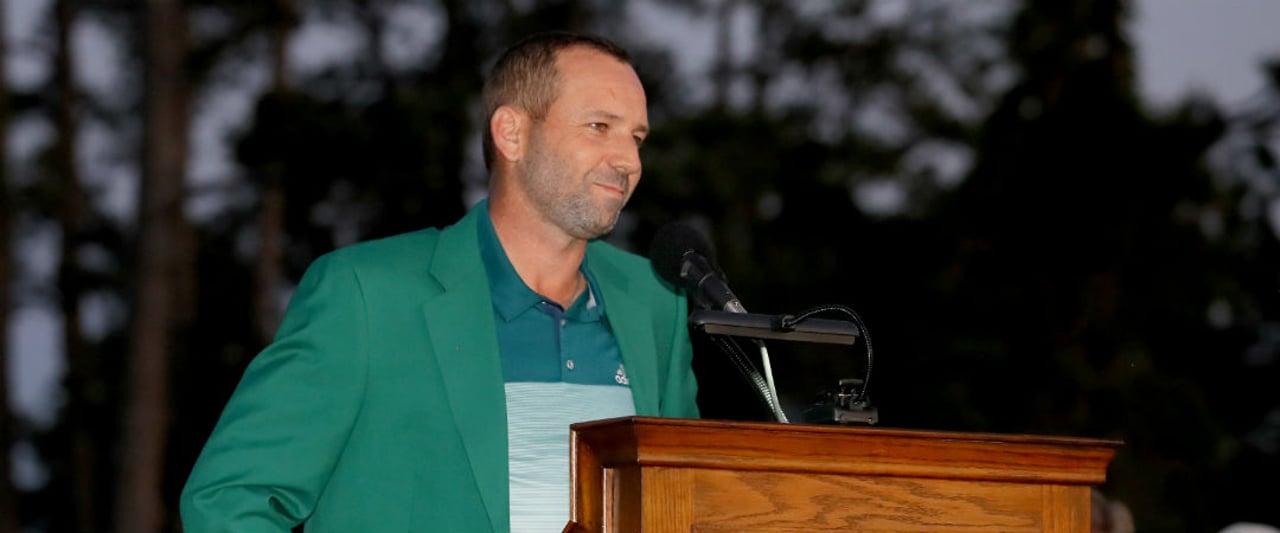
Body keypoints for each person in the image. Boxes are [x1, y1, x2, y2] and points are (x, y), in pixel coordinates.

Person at [180, 31, 699, 533]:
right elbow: (230, 501)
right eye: (599, 127)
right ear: (512, 133)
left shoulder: (656, 302)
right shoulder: (366, 295)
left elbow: (685, 501)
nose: (629, 161)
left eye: (636, 137)